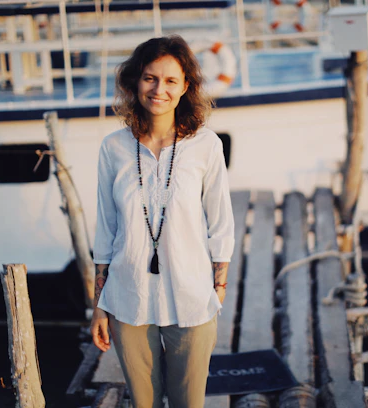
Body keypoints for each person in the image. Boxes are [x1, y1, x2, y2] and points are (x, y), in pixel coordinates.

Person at [90, 35, 235, 408]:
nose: (159, 90)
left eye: (171, 81)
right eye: (150, 78)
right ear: (135, 81)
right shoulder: (113, 147)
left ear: (186, 86)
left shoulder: (205, 145)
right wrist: (100, 304)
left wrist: (217, 287)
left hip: (191, 298)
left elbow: (221, 221)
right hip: (128, 300)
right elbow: (106, 228)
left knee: (189, 403)